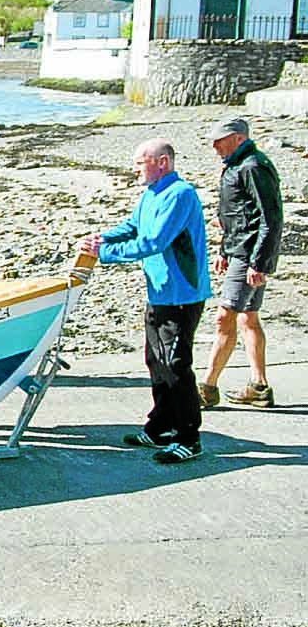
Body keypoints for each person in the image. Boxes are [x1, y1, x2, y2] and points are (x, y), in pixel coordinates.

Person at [80, 139, 212, 465]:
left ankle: (189, 437)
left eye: (140, 163)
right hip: (159, 292)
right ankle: (160, 427)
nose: (135, 169)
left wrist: (104, 254)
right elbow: (134, 227)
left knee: (176, 364)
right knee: (155, 361)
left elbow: (154, 241)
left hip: (181, 294)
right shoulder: (151, 193)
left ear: (162, 162)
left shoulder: (180, 194)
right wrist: (103, 238)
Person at [198, 118, 282, 410]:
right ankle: (259, 387)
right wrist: (225, 249)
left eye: (219, 140)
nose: (214, 146)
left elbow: (270, 219)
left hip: (249, 255)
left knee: (225, 316)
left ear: (237, 138)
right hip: (242, 252)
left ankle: (207, 387)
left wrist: (258, 263)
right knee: (248, 316)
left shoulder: (252, 166)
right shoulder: (239, 165)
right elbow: (237, 215)